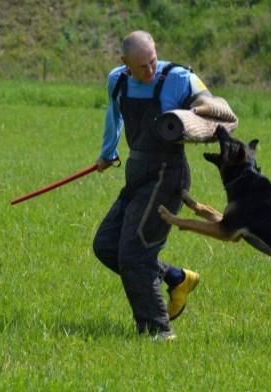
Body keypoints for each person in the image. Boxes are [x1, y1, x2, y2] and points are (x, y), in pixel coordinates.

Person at [93, 30, 211, 340]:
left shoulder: (179, 77)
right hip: (137, 172)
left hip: (167, 176)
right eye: (142, 66)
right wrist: (107, 153)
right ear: (125, 63)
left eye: (153, 61)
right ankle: (176, 278)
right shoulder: (117, 80)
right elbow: (114, 115)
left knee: (134, 255)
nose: (150, 70)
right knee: (106, 246)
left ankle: (159, 332)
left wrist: (201, 113)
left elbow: (208, 103)